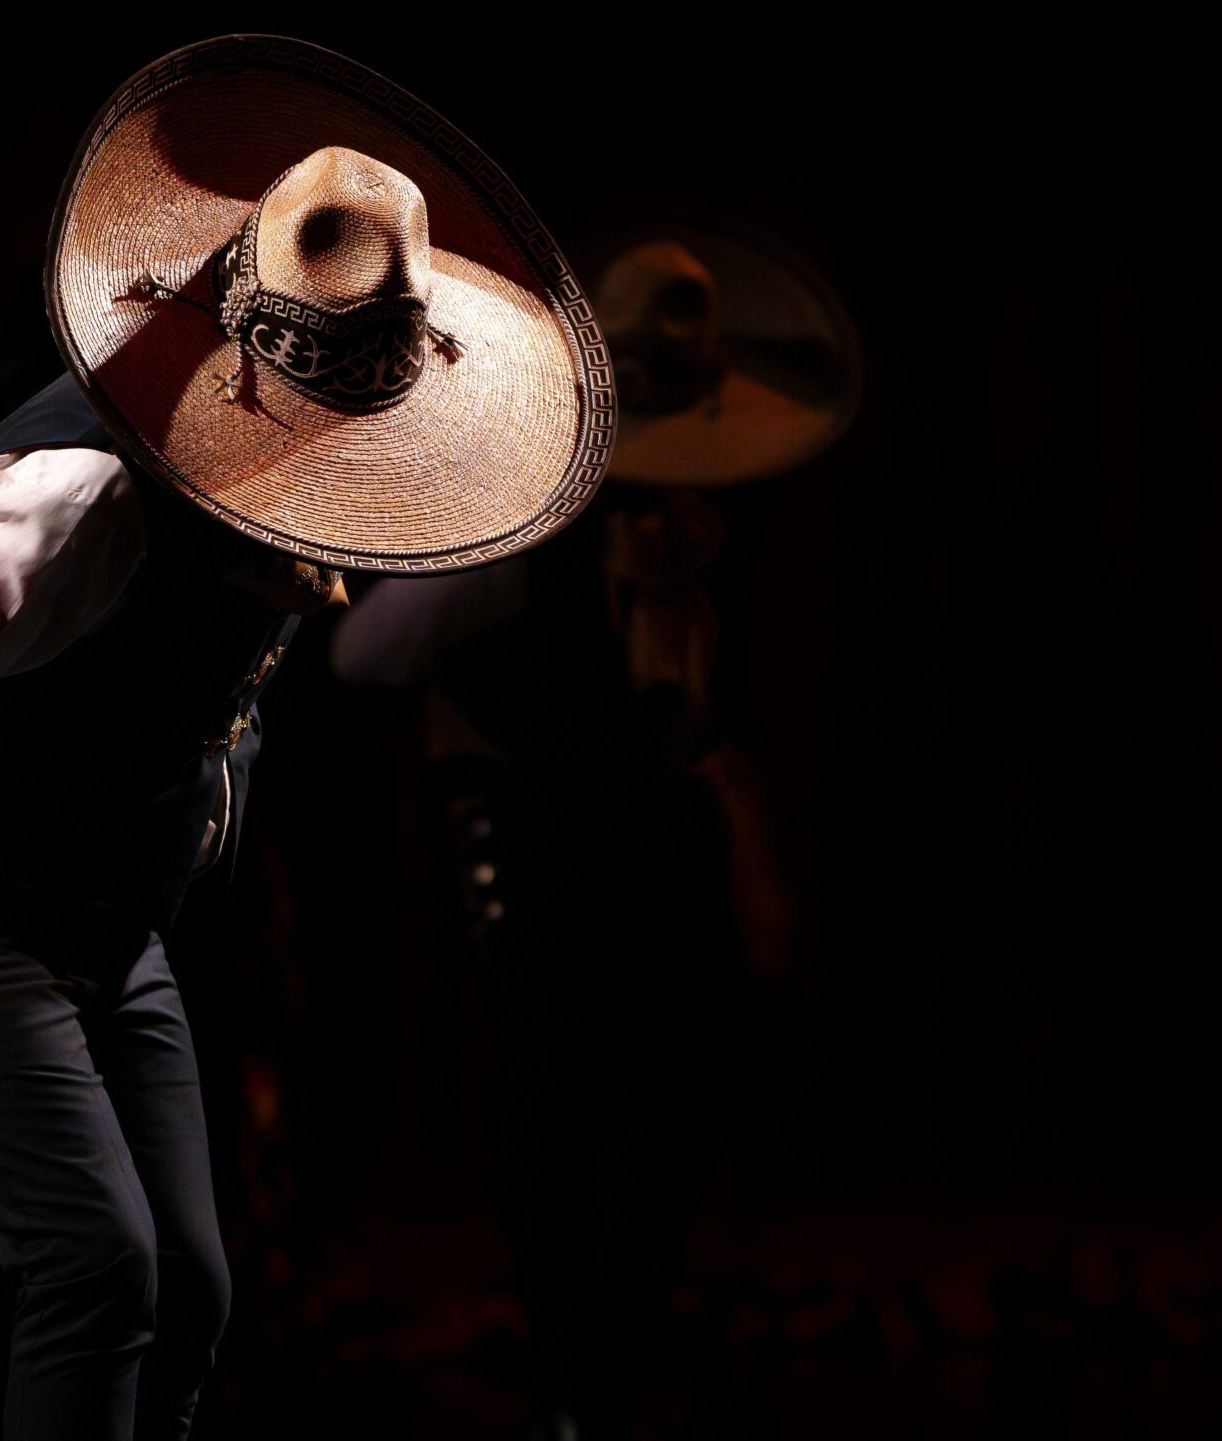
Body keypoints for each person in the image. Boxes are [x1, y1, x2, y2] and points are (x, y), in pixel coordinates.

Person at [0, 37, 613, 1440]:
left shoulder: (284, 483)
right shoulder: (81, 497)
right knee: (96, 1265)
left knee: (194, 1288)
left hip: (102, 903)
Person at [333, 223, 859, 1438]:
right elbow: (366, 655)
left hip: (657, 834)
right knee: (554, 1102)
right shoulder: (513, 511)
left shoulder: (699, 529)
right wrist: (515, 568)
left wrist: (745, 846)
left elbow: (698, 714)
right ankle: (576, 1376)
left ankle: (604, 1370)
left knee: (666, 1107)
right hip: (532, 832)